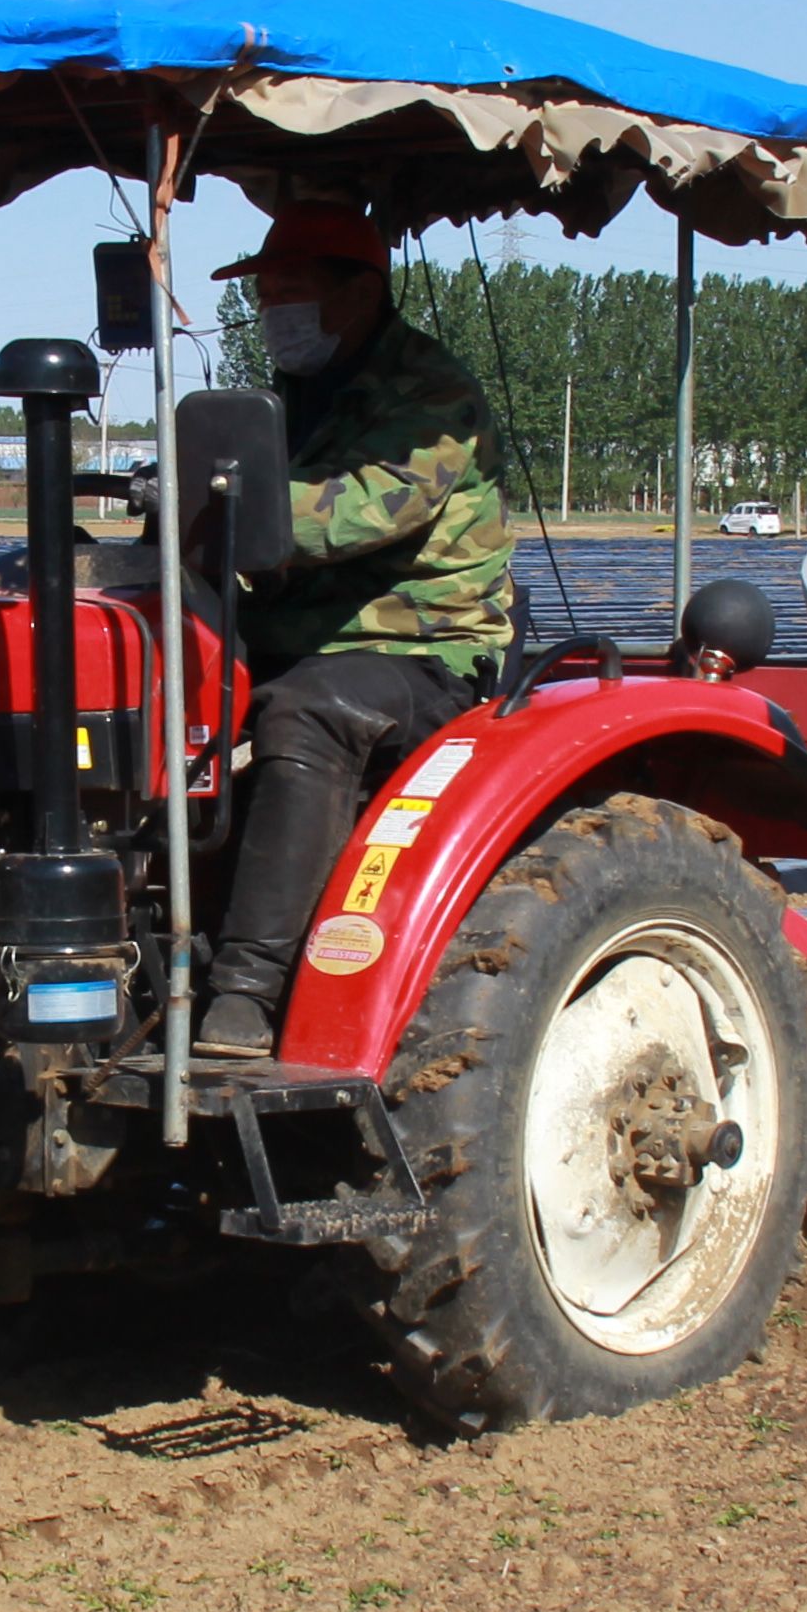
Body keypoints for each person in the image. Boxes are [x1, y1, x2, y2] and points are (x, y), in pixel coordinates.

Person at [192, 205, 518, 1059]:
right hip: (295, 629)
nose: (272, 312)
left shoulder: (430, 396)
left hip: (420, 651)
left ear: (360, 292)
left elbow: (359, 510)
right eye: (263, 294)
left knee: (309, 707)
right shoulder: (290, 396)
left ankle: (247, 989)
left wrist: (212, 502)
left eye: (290, 292)